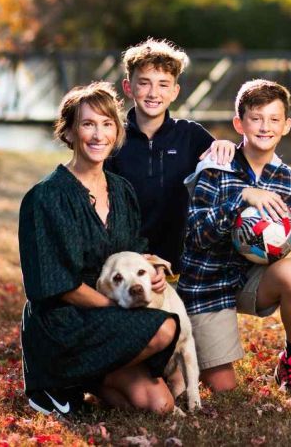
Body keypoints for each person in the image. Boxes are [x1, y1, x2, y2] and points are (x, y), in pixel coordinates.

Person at [19, 82, 180, 415]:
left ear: (117, 131)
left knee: (158, 405)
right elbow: (55, 286)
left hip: (107, 319)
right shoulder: (46, 197)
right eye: (87, 124)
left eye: (107, 124)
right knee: (164, 326)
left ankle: (85, 379)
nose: (98, 135)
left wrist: (154, 273)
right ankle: (50, 379)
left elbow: (136, 251)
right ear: (69, 133)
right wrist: (121, 306)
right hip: (64, 322)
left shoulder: (122, 190)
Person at [178, 79, 291, 395]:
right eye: (256, 118)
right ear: (239, 123)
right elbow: (198, 235)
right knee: (223, 388)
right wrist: (242, 197)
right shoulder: (216, 166)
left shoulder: (289, 181)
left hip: (251, 281)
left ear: (286, 126)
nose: (265, 127)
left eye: (274, 119)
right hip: (207, 285)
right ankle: (184, 357)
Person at [105, 38, 235, 270]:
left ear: (175, 91)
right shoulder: (113, 138)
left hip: (184, 264)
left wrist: (225, 146)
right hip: (129, 264)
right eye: (144, 83)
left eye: (163, 84)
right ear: (128, 87)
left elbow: (228, 177)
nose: (154, 93)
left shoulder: (191, 136)